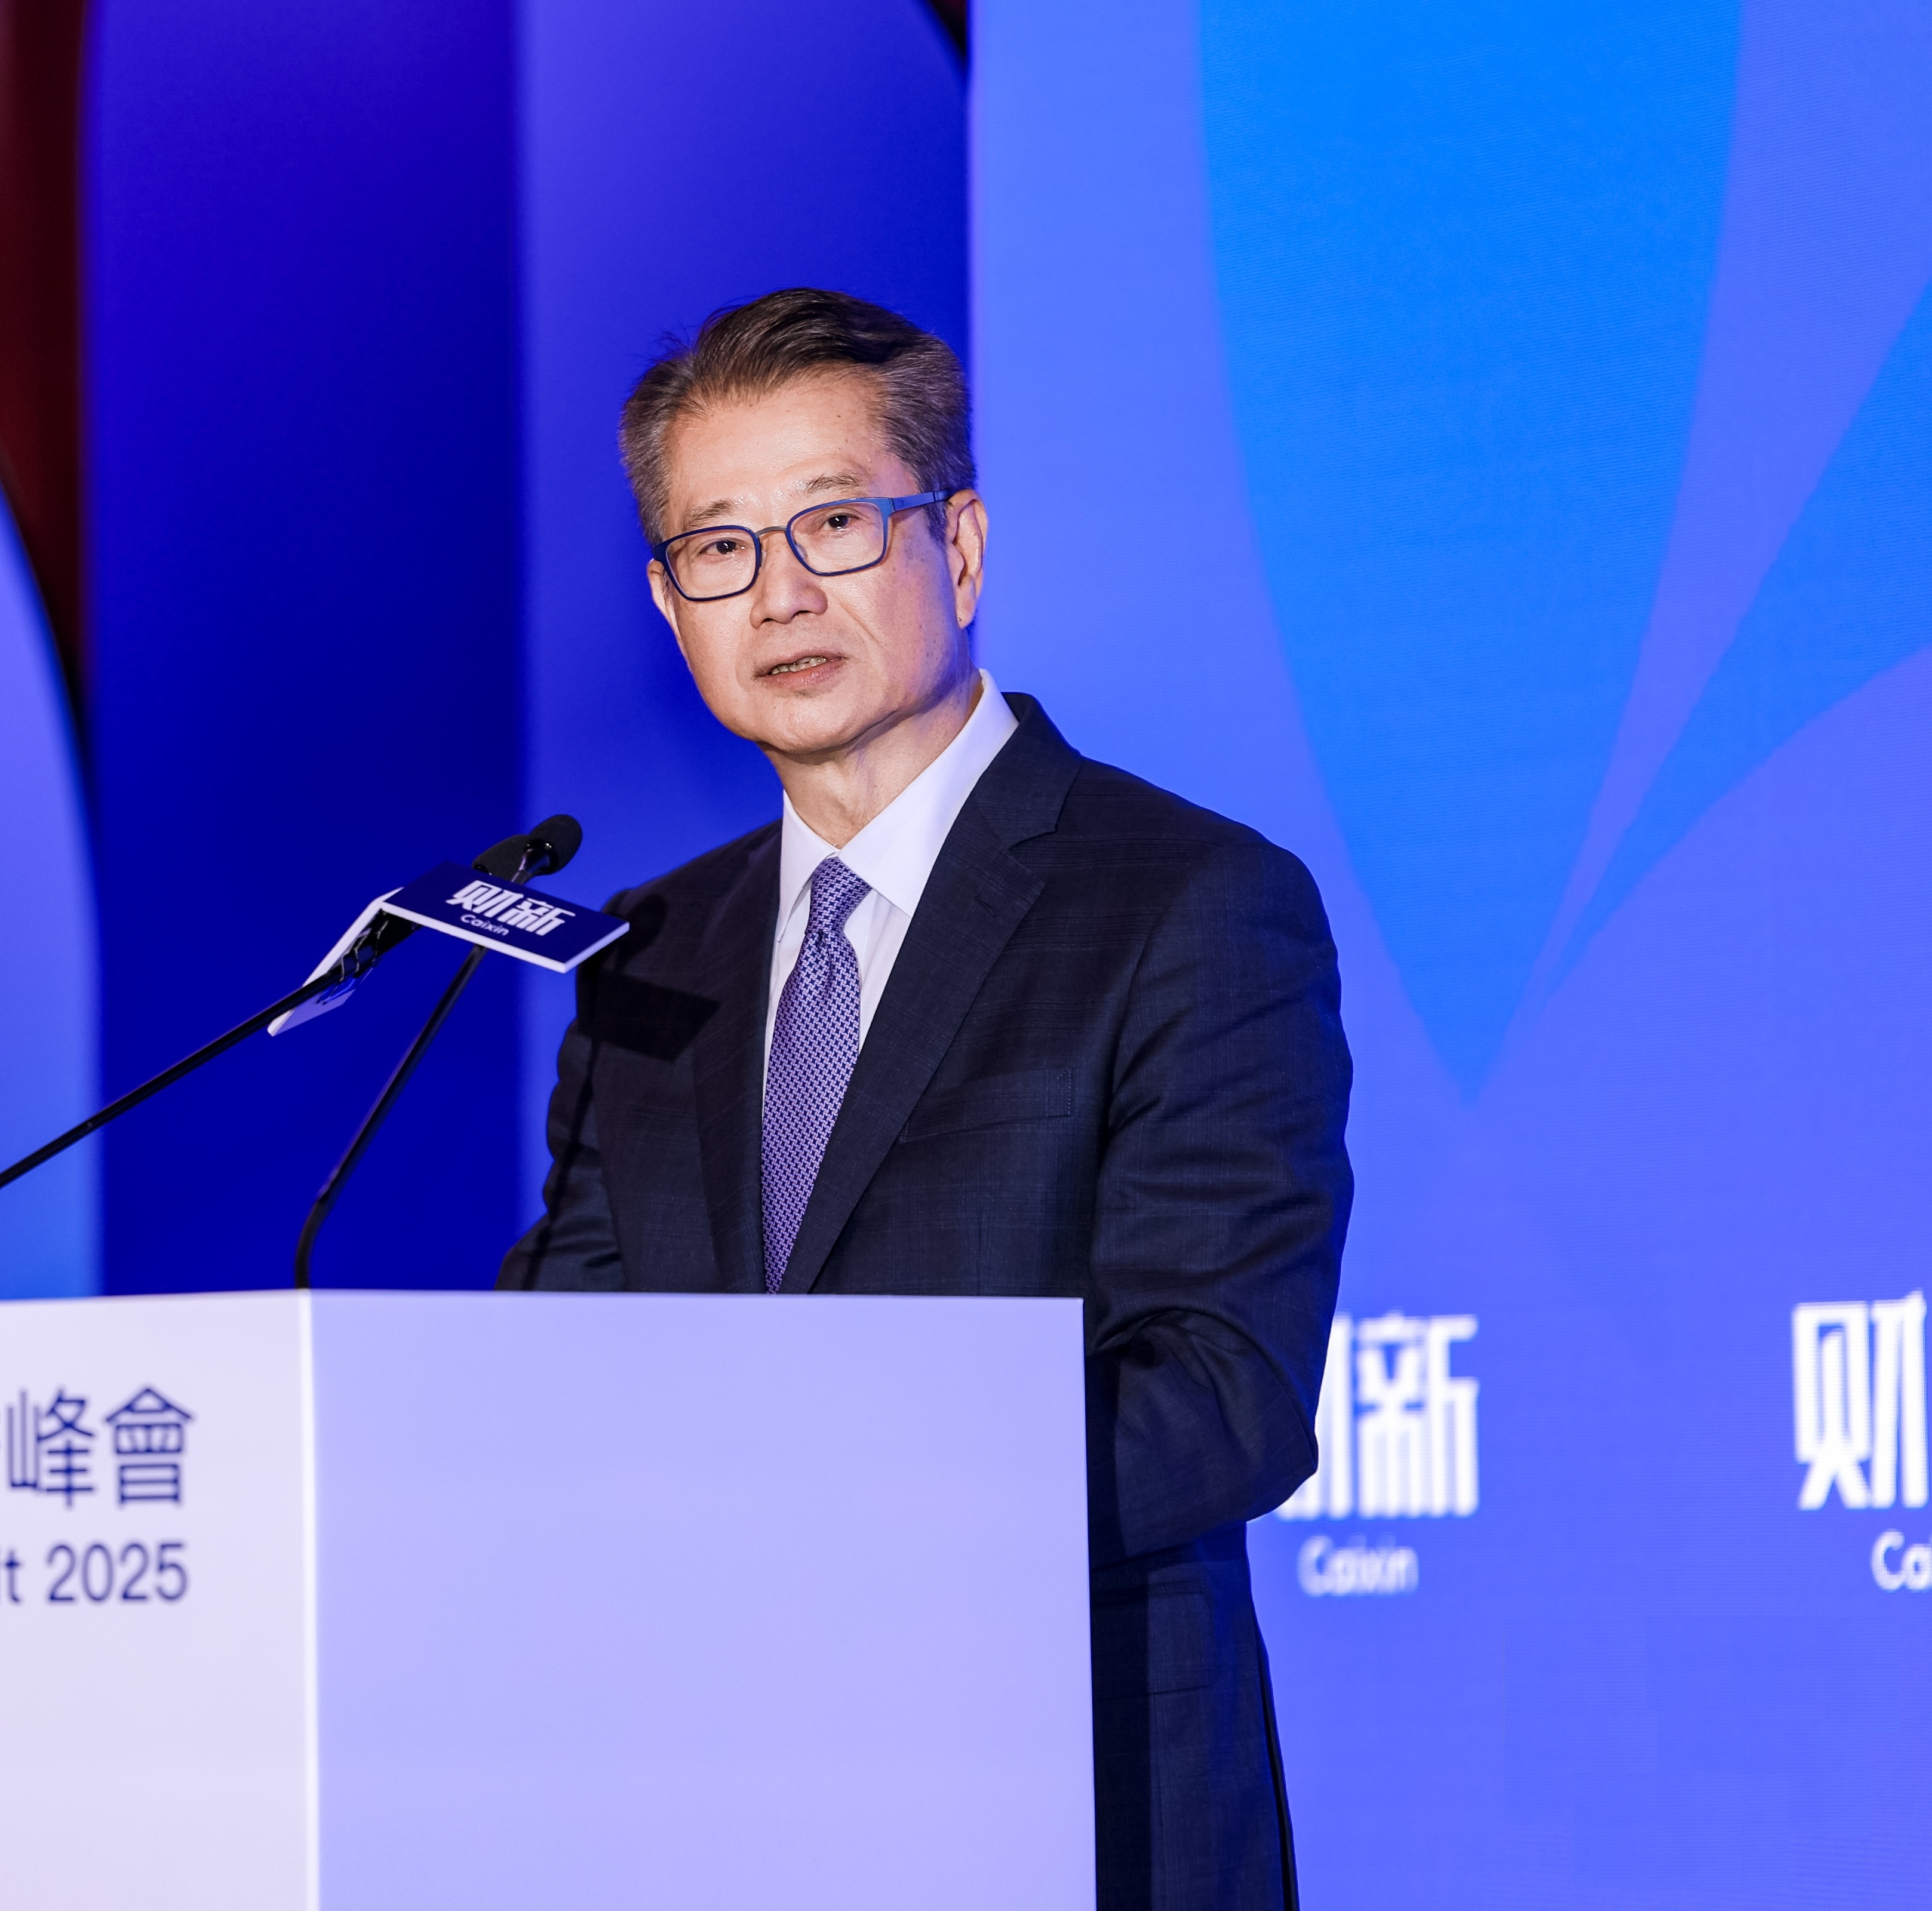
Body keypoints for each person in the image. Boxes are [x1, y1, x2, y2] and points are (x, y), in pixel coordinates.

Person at [499, 287, 1351, 1911]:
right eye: (720, 547)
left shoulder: (1185, 900)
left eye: (833, 523)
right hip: (711, 1809)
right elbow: (572, 1357)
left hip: (1072, 1798)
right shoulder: (653, 951)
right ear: (671, 604)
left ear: (957, 547)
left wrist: (829, 1525)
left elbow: (1222, 1392)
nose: (780, 592)